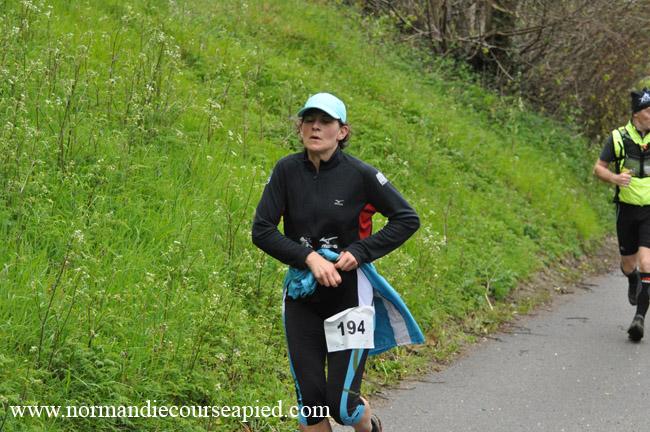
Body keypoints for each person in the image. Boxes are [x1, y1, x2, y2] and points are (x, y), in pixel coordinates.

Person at [252, 93, 420, 431]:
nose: (315, 127)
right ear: (300, 127)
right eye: (309, 120)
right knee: (311, 407)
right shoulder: (286, 171)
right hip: (302, 295)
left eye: (325, 121)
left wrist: (359, 252)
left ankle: (368, 424)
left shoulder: (361, 174)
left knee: (342, 407)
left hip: (349, 296)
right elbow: (262, 230)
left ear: (342, 132)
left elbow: (406, 218)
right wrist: (308, 257)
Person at [593, 88, 650, 342]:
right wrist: (615, 178)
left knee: (647, 263)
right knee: (629, 265)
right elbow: (598, 168)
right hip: (626, 210)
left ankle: (639, 319)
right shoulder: (618, 138)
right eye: (649, 111)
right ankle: (632, 279)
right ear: (637, 114)